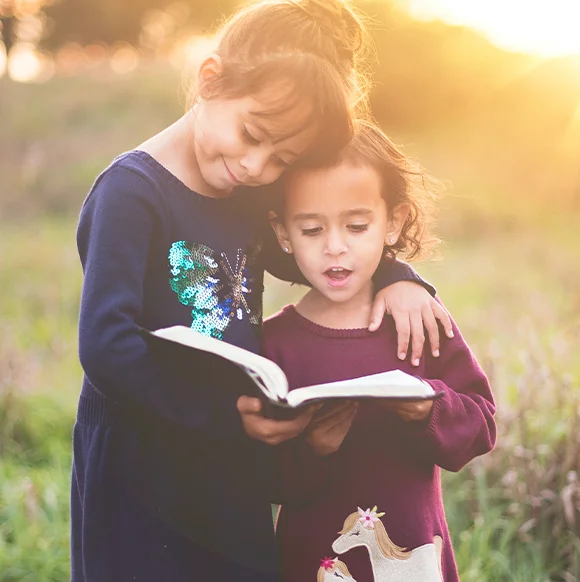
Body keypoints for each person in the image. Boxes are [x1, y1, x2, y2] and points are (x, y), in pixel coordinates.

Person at [71, 1, 452, 580]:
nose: (256, 166)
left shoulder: (245, 195)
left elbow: (319, 259)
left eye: (283, 159)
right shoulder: (132, 193)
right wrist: (228, 415)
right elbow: (105, 346)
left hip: (230, 459)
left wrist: (401, 279)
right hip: (140, 462)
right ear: (210, 79)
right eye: (253, 135)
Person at [265, 121, 497, 582]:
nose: (335, 247)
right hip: (311, 559)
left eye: (356, 225)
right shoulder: (274, 344)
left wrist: (428, 406)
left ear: (392, 222)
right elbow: (260, 477)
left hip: (412, 555)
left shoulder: (418, 320)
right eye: (311, 229)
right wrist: (311, 448)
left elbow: (482, 424)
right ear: (283, 233)